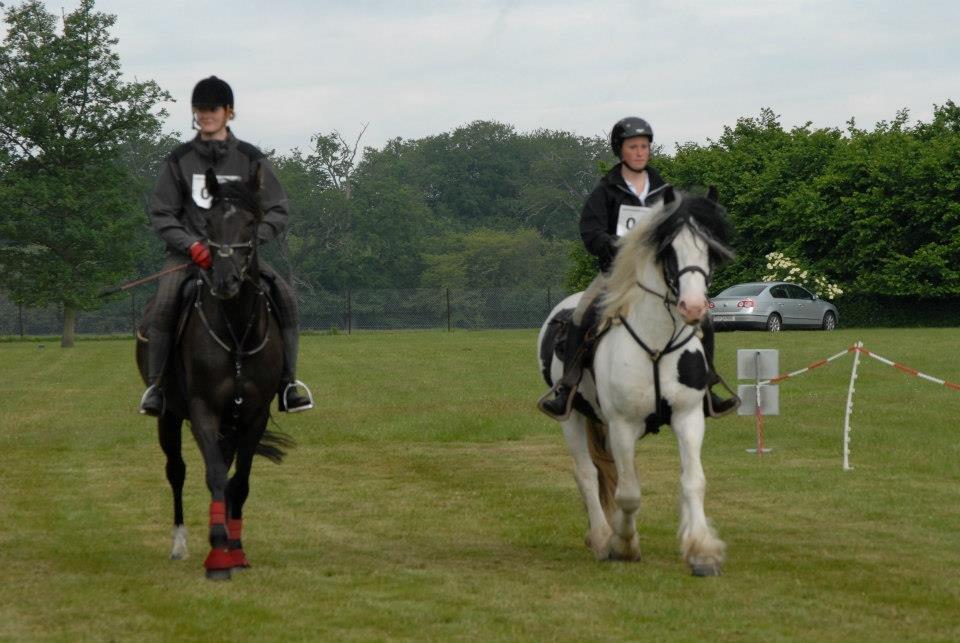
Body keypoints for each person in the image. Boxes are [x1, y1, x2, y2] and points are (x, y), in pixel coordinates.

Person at [538, 116, 737, 420]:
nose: (640, 152)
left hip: (657, 277)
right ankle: (568, 386)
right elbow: (590, 231)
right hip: (616, 274)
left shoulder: (665, 192)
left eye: (644, 146)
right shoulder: (605, 192)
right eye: (633, 147)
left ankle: (707, 385)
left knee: (704, 320)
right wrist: (611, 243)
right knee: (581, 314)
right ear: (620, 151)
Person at [139, 76, 313, 416]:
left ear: (228, 112)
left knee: (287, 299)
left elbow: (277, 208)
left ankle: (288, 384)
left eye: (213, 109)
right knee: (162, 305)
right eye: (200, 109)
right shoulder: (179, 160)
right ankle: (157, 388)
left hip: (240, 256)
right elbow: (162, 213)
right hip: (189, 255)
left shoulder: (250, 158)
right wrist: (190, 245)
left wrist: (250, 241)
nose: (206, 115)